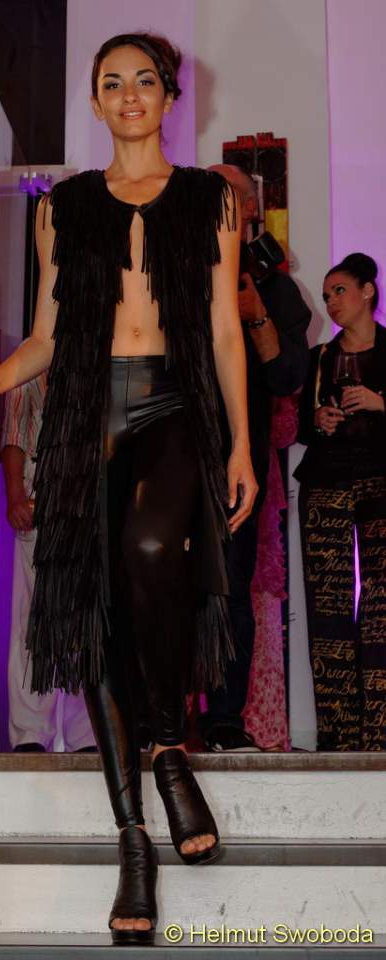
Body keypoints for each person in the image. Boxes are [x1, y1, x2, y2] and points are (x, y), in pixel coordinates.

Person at [0, 33, 257, 944]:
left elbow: (221, 331)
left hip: (175, 402)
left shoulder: (209, 199)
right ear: (94, 103)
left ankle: (166, 743)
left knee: (149, 550)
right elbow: (49, 338)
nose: (129, 95)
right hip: (86, 411)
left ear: (168, 96)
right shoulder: (65, 207)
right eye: (111, 84)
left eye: (144, 81)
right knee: (95, 615)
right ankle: (134, 837)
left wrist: (242, 443)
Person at [197, 165, 311, 752]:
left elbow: (288, 375)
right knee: (158, 582)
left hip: (236, 459)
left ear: (247, 209)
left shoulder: (273, 284)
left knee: (229, 586)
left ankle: (223, 717)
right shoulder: (171, 269)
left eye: (224, 196)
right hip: (169, 451)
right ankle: (154, 717)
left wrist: (254, 312)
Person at [295, 253, 386, 752]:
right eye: (327, 294)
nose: (331, 302)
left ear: (368, 291)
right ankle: (339, 733)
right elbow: (301, 424)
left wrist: (379, 402)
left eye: (340, 291)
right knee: (328, 601)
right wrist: (319, 422)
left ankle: (380, 731)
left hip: (380, 478)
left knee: (381, 601)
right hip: (327, 479)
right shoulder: (320, 358)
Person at [1, 371, 95, 752]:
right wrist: (14, 494)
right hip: (39, 503)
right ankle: (30, 733)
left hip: (90, 507)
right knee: (32, 622)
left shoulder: (103, 352)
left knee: (85, 623)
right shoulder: (32, 361)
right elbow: (14, 432)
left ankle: (86, 733)